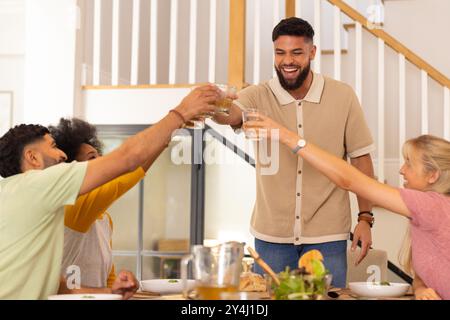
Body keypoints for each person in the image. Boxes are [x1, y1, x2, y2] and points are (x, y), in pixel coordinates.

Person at [0, 85, 220, 299]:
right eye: (53, 146)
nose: (63, 155)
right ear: (33, 158)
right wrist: (180, 114)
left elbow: (56, 286)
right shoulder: (40, 184)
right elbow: (128, 159)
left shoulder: (19, 195)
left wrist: (110, 293)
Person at [213, 17, 375, 287]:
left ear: (312, 52)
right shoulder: (258, 95)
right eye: (280, 52)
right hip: (271, 238)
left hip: (329, 236)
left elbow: (361, 159)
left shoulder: (343, 96)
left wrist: (365, 218)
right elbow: (230, 115)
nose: (287, 60)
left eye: (296, 52)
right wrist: (214, 105)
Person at [243, 114, 450, 300]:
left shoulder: (432, 206)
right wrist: (422, 289)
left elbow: (350, 179)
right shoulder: (423, 212)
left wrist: (287, 137)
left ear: (433, 176)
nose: (402, 170)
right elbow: (425, 277)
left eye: (409, 163)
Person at [48, 118, 154, 288]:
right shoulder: (72, 207)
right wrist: (168, 134)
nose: (102, 165)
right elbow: (129, 174)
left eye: (100, 157)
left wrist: (118, 289)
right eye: (92, 158)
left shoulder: (104, 219)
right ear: (72, 169)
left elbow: (107, 277)